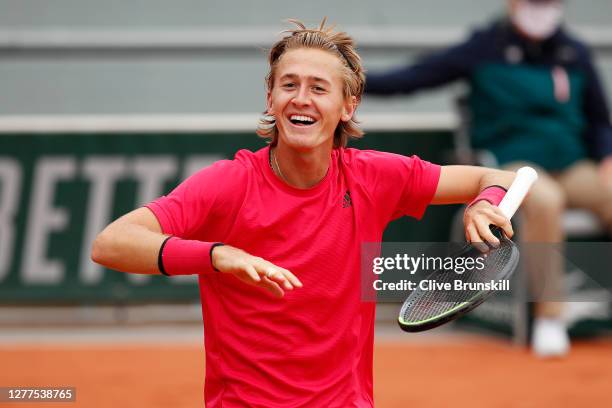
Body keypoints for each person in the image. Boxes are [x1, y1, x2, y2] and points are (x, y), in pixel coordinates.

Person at [91, 19, 517, 407]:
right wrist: (218, 255)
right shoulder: (228, 183)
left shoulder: (373, 177)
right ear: (271, 98)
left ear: (347, 107)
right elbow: (111, 243)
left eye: (318, 88)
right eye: (289, 85)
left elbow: (496, 177)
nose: (301, 99)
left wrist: (484, 203)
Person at [365, 0, 612, 358]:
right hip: (514, 166)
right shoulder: (482, 47)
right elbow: (412, 79)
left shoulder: (574, 52)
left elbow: (600, 119)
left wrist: (607, 156)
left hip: (575, 166)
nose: (541, 9)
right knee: (546, 200)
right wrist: (350, 80)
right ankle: (550, 319)